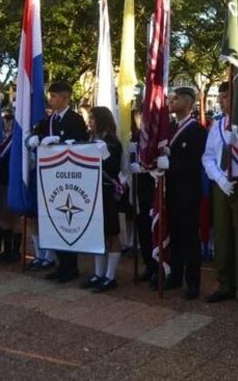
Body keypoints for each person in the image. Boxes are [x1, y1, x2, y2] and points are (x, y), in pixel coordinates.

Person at [27, 81, 88, 282]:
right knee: (54, 221)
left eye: (54, 96)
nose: (50, 100)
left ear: (65, 97)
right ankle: (62, 264)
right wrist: (34, 140)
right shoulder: (48, 120)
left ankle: (71, 267)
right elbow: (33, 136)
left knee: (68, 220)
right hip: (50, 178)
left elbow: (82, 144)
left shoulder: (75, 119)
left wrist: (62, 144)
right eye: (50, 96)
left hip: (69, 179)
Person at [203, 81, 238, 310]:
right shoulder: (217, 126)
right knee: (223, 237)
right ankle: (225, 284)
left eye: (226, 96)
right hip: (221, 185)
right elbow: (207, 157)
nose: (222, 101)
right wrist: (219, 178)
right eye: (221, 96)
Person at [157, 87, 207, 299]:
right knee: (174, 235)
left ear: (187, 102)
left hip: (188, 192)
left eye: (175, 98)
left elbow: (196, 164)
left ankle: (193, 283)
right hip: (172, 190)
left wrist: (171, 163)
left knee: (189, 238)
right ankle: (175, 276)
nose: (171, 101)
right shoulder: (169, 127)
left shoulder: (196, 130)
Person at [80, 106, 127, 293]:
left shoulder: (112, 142)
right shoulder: (92, 139)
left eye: (92, 118)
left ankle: (110, 276)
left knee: (111, 234)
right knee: (96, 234)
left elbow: (113, 169)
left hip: (107, 192)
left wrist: (104, 154)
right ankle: (98, 274)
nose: (89, 121)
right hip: (92, 191)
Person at [129, 110, 157, 283]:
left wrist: (147, 168)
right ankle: (149, 266)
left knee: (154, 230)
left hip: (152, 188)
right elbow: (131, 158)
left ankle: (158, 268)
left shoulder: (156, 136)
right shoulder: (136, 137)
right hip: (139, 189)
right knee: (143, 231)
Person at [0, 112, 24, 264]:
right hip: (2, 181)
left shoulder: (16, 140)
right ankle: (6, 249)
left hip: (12, 182)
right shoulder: (5, 139)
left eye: (9, 121)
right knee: (4, 217)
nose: (6, 124)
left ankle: (15, 251)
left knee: (14, 217)